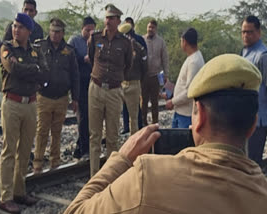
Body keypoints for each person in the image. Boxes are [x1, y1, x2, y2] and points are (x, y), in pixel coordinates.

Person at [64, 54, 267, 214]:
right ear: (252, 126)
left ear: (201, 117)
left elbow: (75, 211)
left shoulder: (148, 177)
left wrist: (123, 159)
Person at [0, 13, 49, 213]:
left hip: (31, 104)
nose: (15, 29)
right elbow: (13, 68)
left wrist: (30, 70)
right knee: (9, 150)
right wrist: (33, 70)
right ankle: (6, 196)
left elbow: (45, 73)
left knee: (25, 151)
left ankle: (19, 191)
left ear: (29, 30)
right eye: (14, 26)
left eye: (20, 27)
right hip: (13, 103)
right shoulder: (6, 48)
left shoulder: (36, 51)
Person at [87, 4, 132, 177]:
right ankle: (94, 176)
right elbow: (92, 58)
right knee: (95, 137)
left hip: (114, 91)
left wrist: (116, 80)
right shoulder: (95, 37)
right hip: (96, 88)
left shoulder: (125, 43)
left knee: (112, 137)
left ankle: (109, 176)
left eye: (112, 18)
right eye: (106, 17)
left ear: (118, 20)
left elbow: (127, 66)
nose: (108, 21)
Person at [33, 18, 79, 173]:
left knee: (57, 130)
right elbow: (32, 67)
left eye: (58, 32)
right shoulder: (40, 46)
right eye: (52, 31)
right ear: (49, 31)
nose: (55, 34)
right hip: (44, 96)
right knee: (42, 130)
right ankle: (38, 161)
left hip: (62, 97)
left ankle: (55, 160)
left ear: (63, 33)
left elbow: (75, 75)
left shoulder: (69, 50)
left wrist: (75, 98)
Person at [68, 17, 96, 159]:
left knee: (92, 116)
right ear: (82, 29)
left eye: (92, 30)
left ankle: (83, 146)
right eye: (87, 30)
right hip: (79, 82)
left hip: (93, 82)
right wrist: (83, 58)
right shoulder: (74, 41)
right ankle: (83, 148)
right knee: (83, 116)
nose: (90, 33)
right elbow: (69, 59)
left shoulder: (96, 41)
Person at [241, 15, 267, 167]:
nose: (246, 35)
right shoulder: (244, 52)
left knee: (252, 163)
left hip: (260, 119)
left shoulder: (263, 55)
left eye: (249, 32)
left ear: (259, 32)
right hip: (247, 116)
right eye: (243, 32)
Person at [165, 28, 204, 128]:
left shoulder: (194, 62)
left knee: (182, 142)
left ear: (184, 41)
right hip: (181, 110)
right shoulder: (191, 58)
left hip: (186, 114)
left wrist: (172, 102)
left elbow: (190, 92)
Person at [118, 23, 147, 135]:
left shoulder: (139, 48)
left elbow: (145, 67)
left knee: (133, 116)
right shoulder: (119, 48)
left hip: (134, 83)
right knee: (115, 113)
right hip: (121, 83)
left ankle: (134, 138)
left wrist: (139, 79)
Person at [142, 19, 169, 126]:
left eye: (152, 27)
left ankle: (155, 123)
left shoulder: (161, 42)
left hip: (156, 76)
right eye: (149, 27)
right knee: (143, 102)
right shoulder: (142, 40)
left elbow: (165, 58)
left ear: (155, 29)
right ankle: (143, 123)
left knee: (155, 101)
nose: (150, 29)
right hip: (144, 76)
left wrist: (166, 74)